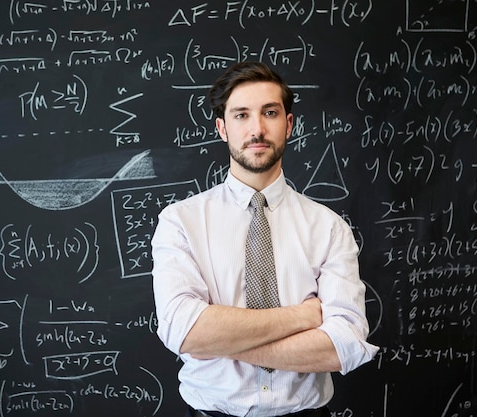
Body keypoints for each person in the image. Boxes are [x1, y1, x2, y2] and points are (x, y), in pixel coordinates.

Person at [151, 61, 378, 417]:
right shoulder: (181, 222)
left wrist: (220, 340)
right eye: (241, 115)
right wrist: (303, 317)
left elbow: (341, 347)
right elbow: (185, 331)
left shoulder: (329, 228)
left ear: (288, 124)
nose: (257, 129)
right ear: (222, 128)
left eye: (269, 112)